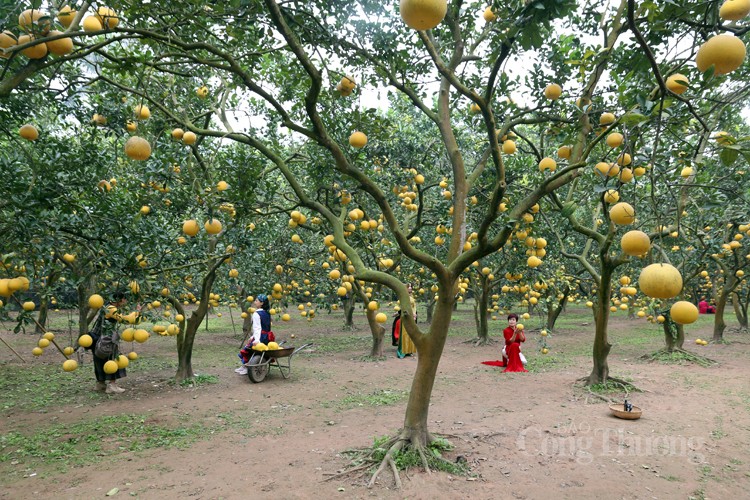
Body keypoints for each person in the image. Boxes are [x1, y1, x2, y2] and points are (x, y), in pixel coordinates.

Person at [92, 291, 129, 394]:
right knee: (114, 359)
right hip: (106, 339)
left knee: (100, 360)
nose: (125, 302)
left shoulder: (107, 306)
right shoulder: (111, 309)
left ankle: (100, 384)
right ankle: (112, 385)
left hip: (97, 337)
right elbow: (124, 320)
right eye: (125, 299)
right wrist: (138, 313)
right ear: (120, 300)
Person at [236, 294, 273, 375]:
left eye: (256, 300)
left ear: (261, 303)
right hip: (267, 337)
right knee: (255, 351)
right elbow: (265, 327)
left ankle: (247, 367)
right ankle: (245, 366)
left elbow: (257, 328)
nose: (255, 302)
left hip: (260, 336)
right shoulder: (267, 313)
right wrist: (253, 336)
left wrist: (256, 339)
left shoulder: (256, 314)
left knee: (248, 350)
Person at [396, 283, 417, 358]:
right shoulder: (403, 297)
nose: (410, 288)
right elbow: (402, 307)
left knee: (411, 333)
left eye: (411, 287)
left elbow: (414, 306)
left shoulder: (411, 297)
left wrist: (414, 314)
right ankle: (403, 351)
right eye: (409, 287)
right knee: (405, 333)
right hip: (405, 317)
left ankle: (409, 350)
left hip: (412, 317)